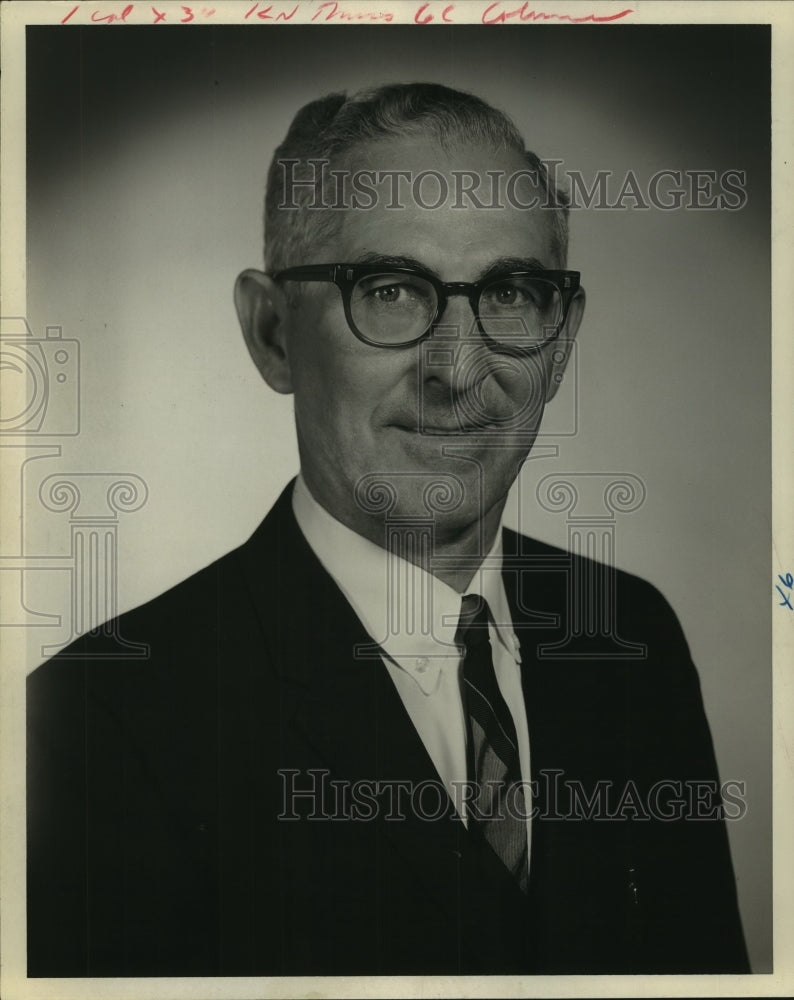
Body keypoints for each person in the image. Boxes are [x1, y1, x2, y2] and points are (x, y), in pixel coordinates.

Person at [26, 83, 749, 977]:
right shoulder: (95, 727)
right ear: (272, 333)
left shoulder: (632, 636)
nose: (458, 368)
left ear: (560, 341)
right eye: (393, 290)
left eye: (511, 291)